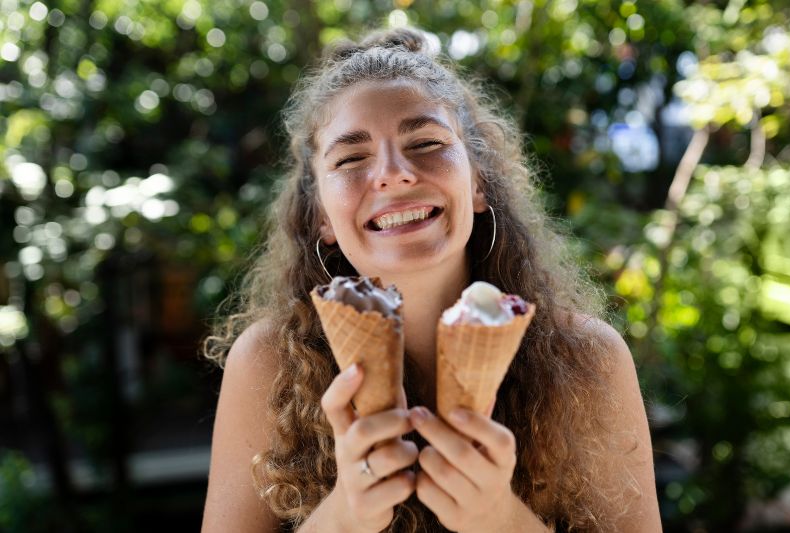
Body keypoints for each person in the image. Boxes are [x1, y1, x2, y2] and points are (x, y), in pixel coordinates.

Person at [200, 26, 661, 533]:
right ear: (321, 218)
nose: (393, 173)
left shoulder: (587, 360)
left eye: (426, 143)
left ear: (478, 183)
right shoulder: (267, 364)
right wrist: (342, 518)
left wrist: (503, 521)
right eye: (350, 158)